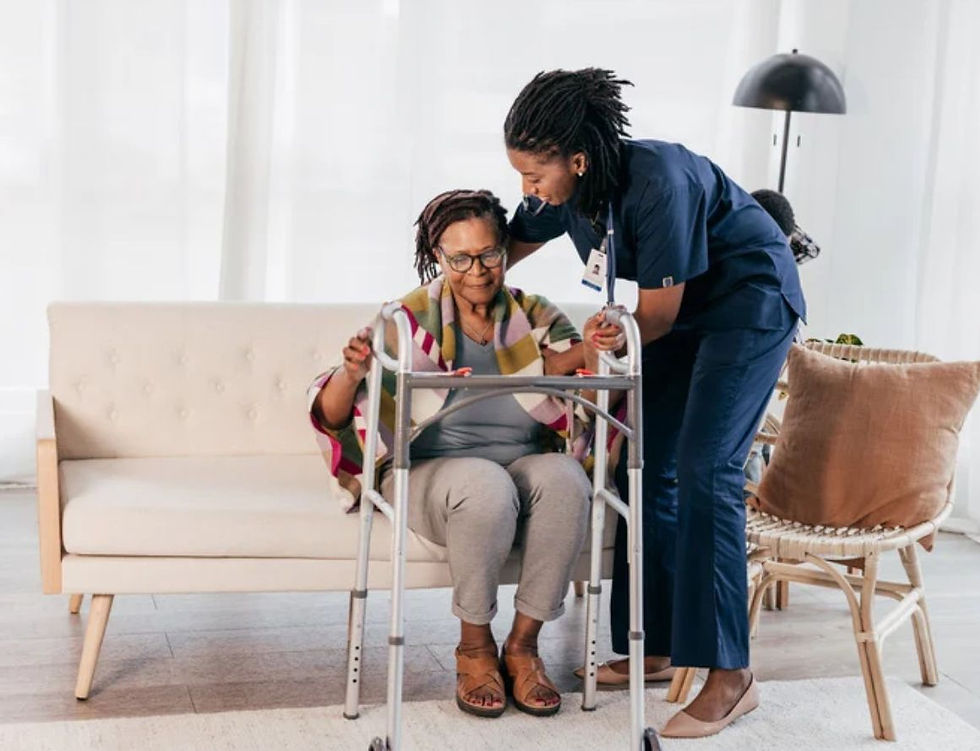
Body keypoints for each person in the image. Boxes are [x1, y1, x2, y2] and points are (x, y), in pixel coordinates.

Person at [502, 68, 805, 738]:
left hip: (748, 301)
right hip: (681, 314)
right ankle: (660, 645)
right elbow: (502, 250)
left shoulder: (658, 182)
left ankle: (732, 674)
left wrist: (590, 348)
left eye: (534, 175)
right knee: (642, 465)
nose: (528, 190)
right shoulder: (560, 189)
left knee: (706, 468)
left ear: (577, 160)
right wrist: (447, 280)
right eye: (520, 175)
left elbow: (656, 317)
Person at [308, 189, 595, 718]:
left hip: (522, 461)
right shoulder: (405, 322)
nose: (477, 271)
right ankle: (475, 647)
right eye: (460, 258)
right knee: (484, 484)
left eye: (488, 255)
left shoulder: (535, 314)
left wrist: (595, 349)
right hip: (429, 471)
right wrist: (351, 374)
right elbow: (332, 415)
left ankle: (523, 647)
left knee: (567, 480)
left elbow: (585, 393)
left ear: (506, 250)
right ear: (437, 256)